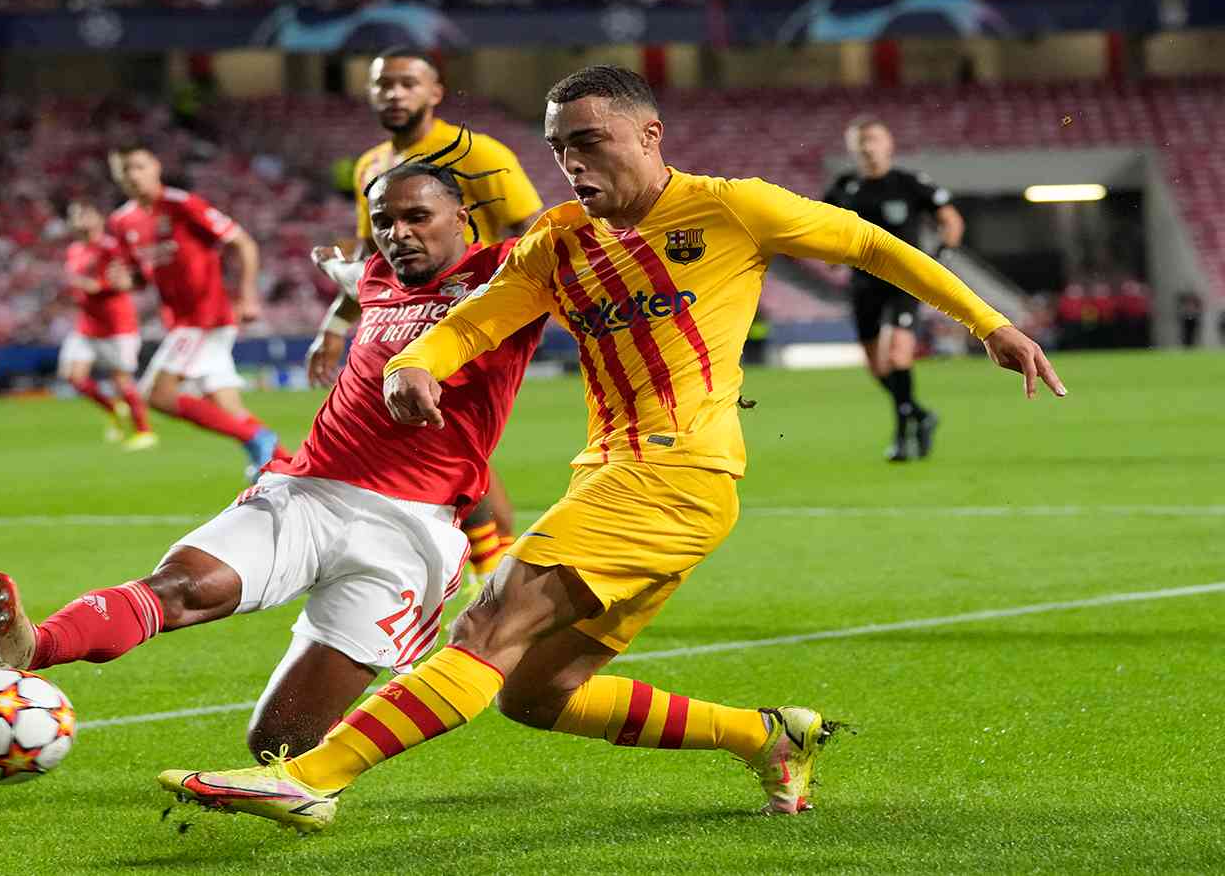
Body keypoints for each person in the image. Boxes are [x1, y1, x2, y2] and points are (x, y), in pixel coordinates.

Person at [160, 65, 1066, 832]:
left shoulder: (732, 209)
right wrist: (414, 364)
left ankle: (309, 779)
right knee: (535, 694)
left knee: (488, 625)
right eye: (560, 147)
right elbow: (475, 320)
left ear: (650, 133)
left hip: (678, 473)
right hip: (621, 477)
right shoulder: (560, 240)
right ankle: (769, 736)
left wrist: (987, 322)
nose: (572, 162)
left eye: (589, 141)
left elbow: (866, 241)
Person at [0, 156, 547, 759]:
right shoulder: (380, 271)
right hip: (308, 491)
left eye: (417, 217)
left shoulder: (511, 271)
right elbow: (354, 282)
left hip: (407, 531)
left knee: (277, 741)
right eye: (383, 221)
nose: (398, 233)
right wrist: (331, 329)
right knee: (183, 588)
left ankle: (313, 782)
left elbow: (593, 261)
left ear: (462, 218)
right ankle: (33, 646)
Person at [307, 47, 546, 585]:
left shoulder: (480, 154)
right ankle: (491, 579)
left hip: (474, 321)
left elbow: (536, 234)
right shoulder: (371, 166)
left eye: (407, 83)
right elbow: (375, 262)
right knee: (450, 451)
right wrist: (336, 325)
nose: (394, 94)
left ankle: (487, 579)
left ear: (435, 92)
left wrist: (506, 302)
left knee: (448, 448)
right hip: (405, 322)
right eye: (383, 84)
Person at [106, 145, 288, 477]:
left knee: (157, 394)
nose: (132, 175)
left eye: (138, 166)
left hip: (205, 318)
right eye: (123, 170)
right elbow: (139, 277)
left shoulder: (182, 205)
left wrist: (248, 297)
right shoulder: (121, 222)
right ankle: (292, 469)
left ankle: (256, 438)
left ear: (156, 166)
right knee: (229, 409)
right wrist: (125, 282)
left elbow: (243, 243)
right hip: (180, 322)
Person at [823, 115, 966, 461]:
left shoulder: (909, 182)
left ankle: (903, 437)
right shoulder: (844, 186)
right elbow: (822, 224)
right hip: (863, 283)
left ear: (888, 143)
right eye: (860, 141)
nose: (867, 147)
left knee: (899, 355)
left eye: (873, 139)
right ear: (851, 147)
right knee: (877, 366)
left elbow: (951, 220)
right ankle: (920, 414)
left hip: (904, 280)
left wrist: (940, 256)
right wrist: (828, 251)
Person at [56, 200, 157, 451]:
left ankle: (144, 431)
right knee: (73, 377)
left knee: (121, 380)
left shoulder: (111, 248)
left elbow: (124, 281)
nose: (79, 220)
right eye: (75, 215)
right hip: (87, 325)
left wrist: (90, 286)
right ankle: (113, 408)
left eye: (84, 213)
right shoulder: (74, 249)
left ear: (99, 218)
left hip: (116, 325)